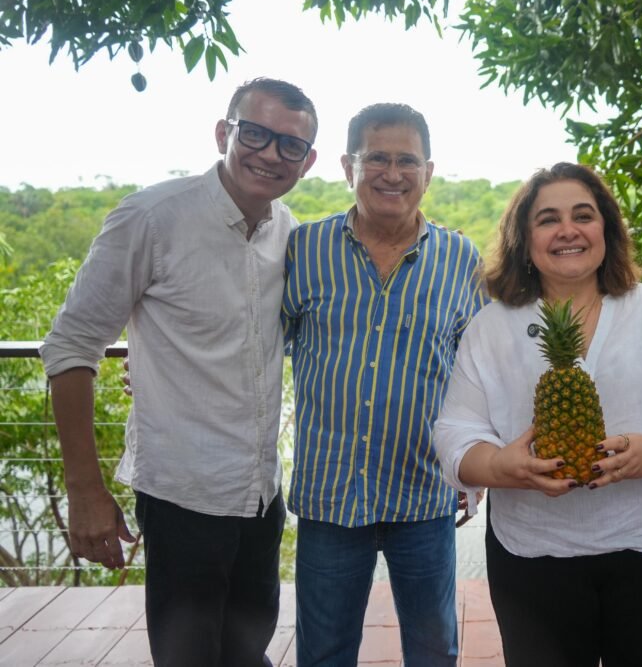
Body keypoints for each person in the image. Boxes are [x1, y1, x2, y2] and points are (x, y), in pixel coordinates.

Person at [40, 77, 318, 666]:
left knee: (247, 650)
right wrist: (85, 491)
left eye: (289, 145)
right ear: (225, 133)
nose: (270, 154)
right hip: (183, 497)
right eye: (256, 133)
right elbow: (70, 347)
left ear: (308, 161)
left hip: (260, 495)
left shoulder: (287, 231)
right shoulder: (151, 218)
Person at [432, 162, 642, 667]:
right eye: (548, 219)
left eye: (584, 215)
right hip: (531, 555)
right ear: (524, 239)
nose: (568, 230)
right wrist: (498, 467)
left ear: (607, 230)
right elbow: (455, 430)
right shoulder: (492, 325)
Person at [282, 103, 487, 667]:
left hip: (424, 491)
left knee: (433, 649)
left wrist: (477, 461)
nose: (391, 174)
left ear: (428, 171)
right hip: (330, 496)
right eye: (377, 158)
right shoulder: (304, 250)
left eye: (406, 161)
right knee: (323, 652)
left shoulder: (460, 258)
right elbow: (252, 345)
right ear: (349, 166)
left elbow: (480, 370)